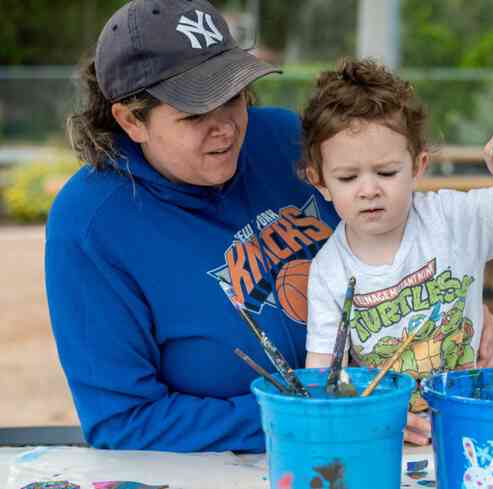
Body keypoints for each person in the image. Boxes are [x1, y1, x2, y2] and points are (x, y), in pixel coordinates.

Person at [45, 0, 342, 452]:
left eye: (234, 97)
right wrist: (307, 417)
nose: (225, 128)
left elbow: (392, 242)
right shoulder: (90, 223)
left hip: (373, 422)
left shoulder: (286, 141)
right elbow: (124, 421)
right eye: (195, 114)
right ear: (131, 120)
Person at [302, 59, 493, 444]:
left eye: (386, 172)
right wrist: (362, 420)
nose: (369, 189)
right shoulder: (327, 270)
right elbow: (323, 374)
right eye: (348, 177)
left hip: (473, 417)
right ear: (320, 182)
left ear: (418, 166)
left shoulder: (449, 219)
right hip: (389, 437)